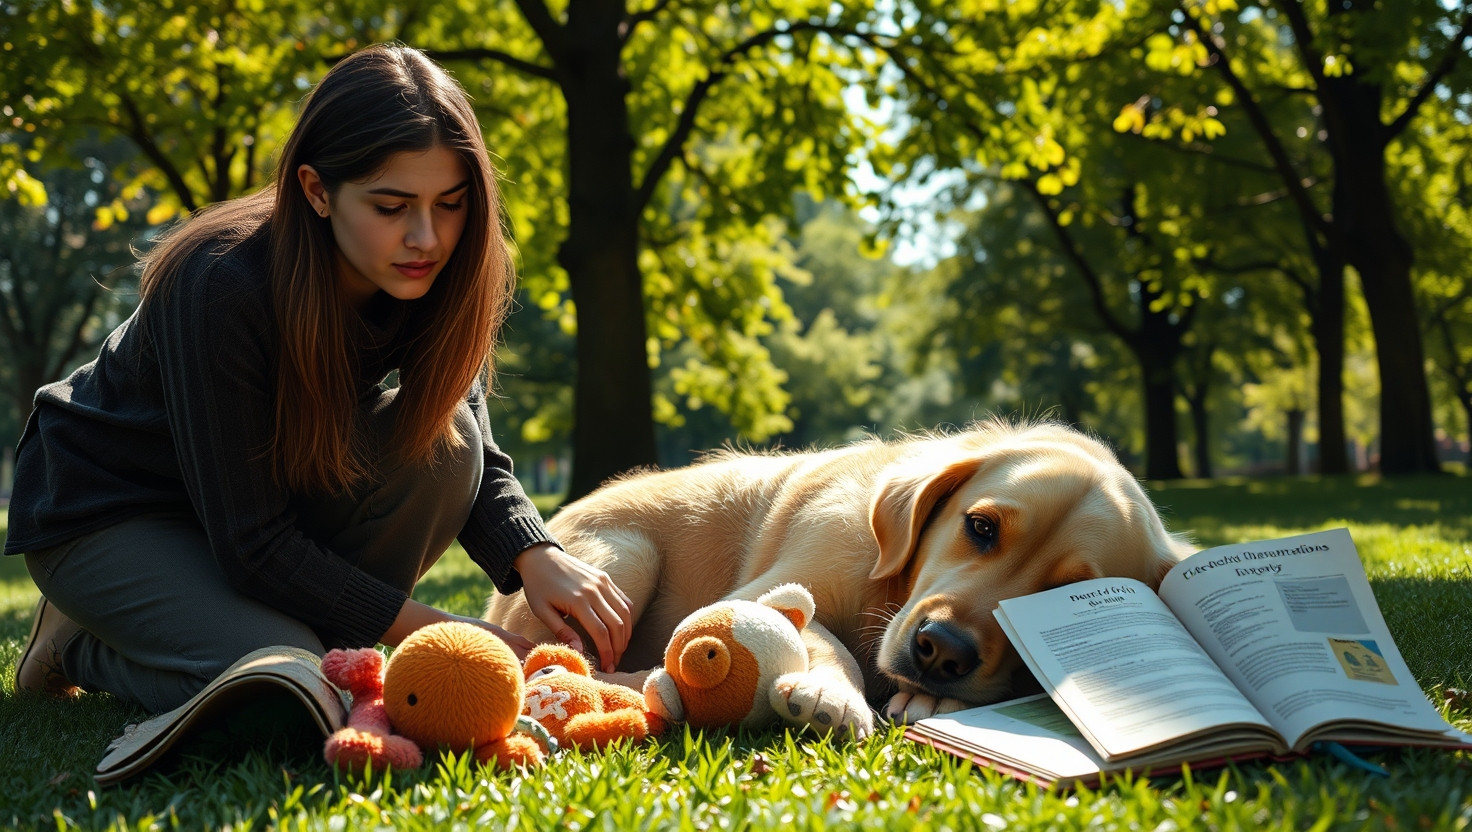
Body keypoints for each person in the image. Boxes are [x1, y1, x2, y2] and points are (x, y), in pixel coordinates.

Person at [6, 44, 632, 713]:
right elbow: (253, 544)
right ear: (316, 190)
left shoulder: (433, 274)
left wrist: (536, 555)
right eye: (391, 207)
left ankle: (274, 641)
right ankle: (79, 645)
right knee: (290, 698)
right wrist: (438, 630)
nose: (427, 237)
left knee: (448, 448)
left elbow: (475, 454)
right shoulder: (219, 282)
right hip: (112, 509)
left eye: (450, 203)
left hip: (255, 505)